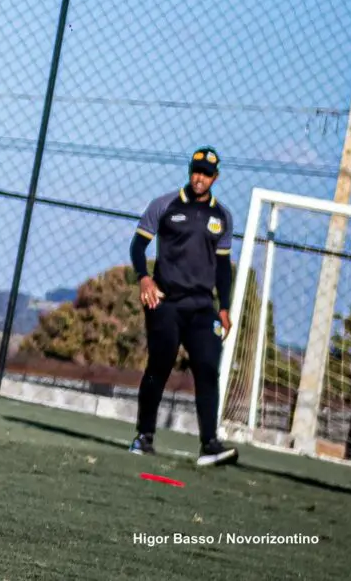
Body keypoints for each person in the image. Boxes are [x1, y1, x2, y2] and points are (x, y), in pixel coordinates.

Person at [129, 147, 239, 466]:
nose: (199, 177)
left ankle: (209, 444)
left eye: (205, 173)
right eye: (195, 170)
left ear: (215, 178)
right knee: (159, 365)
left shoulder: (222, 217)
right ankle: (144, 436)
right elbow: (138, 245)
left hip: (202, 307)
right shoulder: (164, 205)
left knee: (207, 367)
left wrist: (224, 308)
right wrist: (144, 279)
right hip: (165, 302)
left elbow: (222, 266)